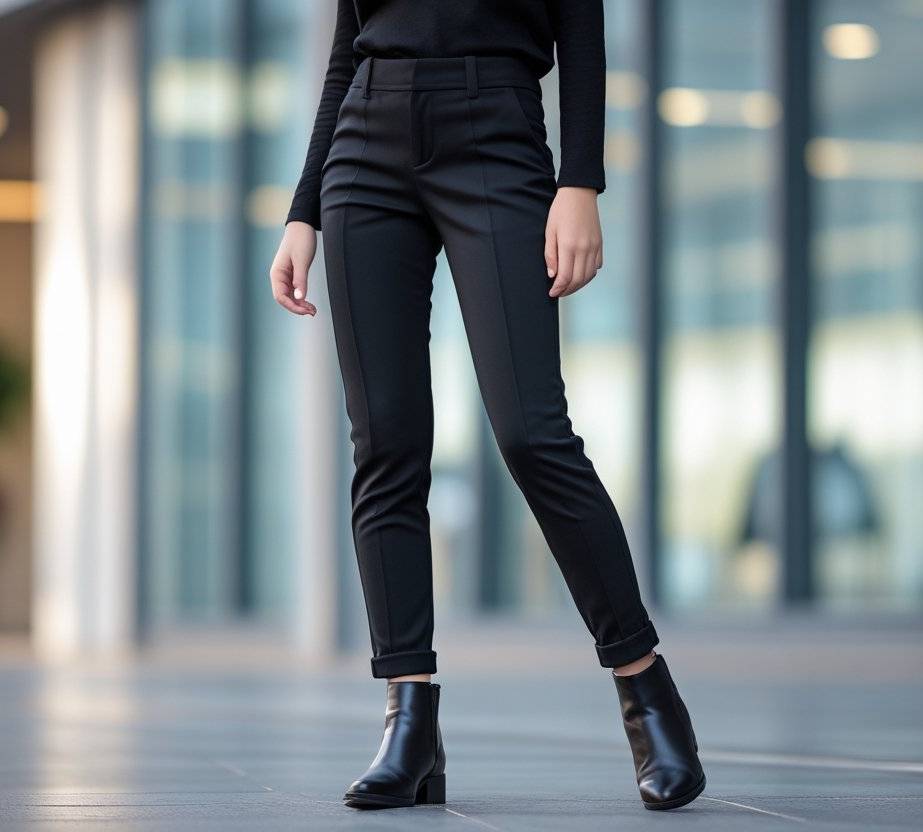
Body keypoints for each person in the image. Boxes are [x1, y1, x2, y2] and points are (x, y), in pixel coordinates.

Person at [268, 0, 705, 812]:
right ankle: (410, 718)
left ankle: (647, 692)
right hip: (366, 146)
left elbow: (580, 24)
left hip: (497, 132)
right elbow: (343, 49)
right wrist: (303, 210)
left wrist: (582, 179)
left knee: (532, 432)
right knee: (386, 445)